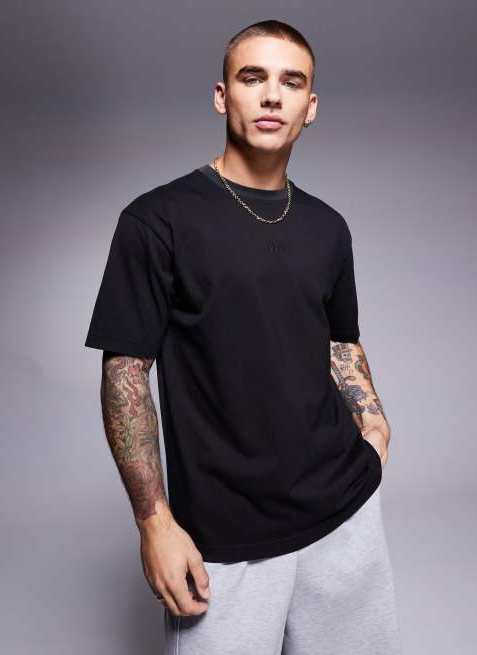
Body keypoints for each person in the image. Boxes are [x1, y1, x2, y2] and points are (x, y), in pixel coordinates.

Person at [84, 19, 403, 655]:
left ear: (311, 106)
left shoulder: (327, 227)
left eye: (292, 82)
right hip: (222, 540)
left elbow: (340, 341)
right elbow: (125, 373)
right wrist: (154, 523)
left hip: (343, 515)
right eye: (253, 77)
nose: (272, 95)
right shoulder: (156, 220)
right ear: (222, 95)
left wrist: (374, 427)